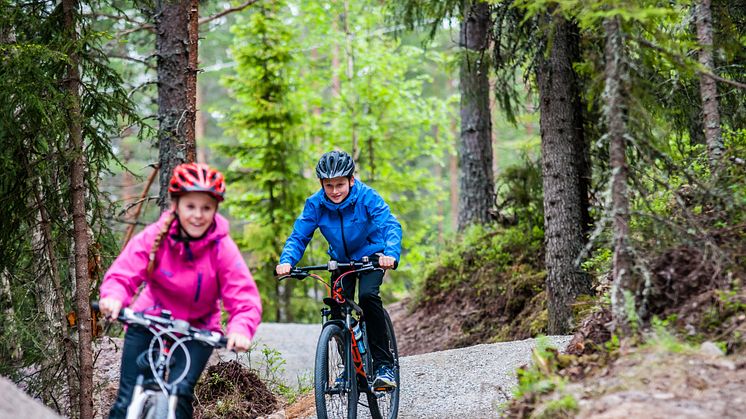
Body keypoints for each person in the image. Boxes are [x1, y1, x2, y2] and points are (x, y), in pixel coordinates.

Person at [98, 163, 262, 419]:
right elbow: (125, 271)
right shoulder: (156, 236)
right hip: (149, 320)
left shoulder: (222, 248)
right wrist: (114, 297)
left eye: (206, 207)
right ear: (176, 205)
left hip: (197, 330)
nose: (198, 214)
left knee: (179, 395)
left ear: (215, 210)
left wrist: (240, 329)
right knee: (127, 399)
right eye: (191, 206)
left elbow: (243, 296)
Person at [275, 150, 402, 388]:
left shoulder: (366, 197)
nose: (335, 191)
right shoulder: (315, 204)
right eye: (329, 185)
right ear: (322, 184)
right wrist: (287, 261)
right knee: (336, 308)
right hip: (341, 262)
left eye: (340, 184)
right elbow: (299, 236)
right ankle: (350, 369)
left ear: (351, 180)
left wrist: (390, 255)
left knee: (367, 297)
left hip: (371, 257)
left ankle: (384, 366)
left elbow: (390, 225)